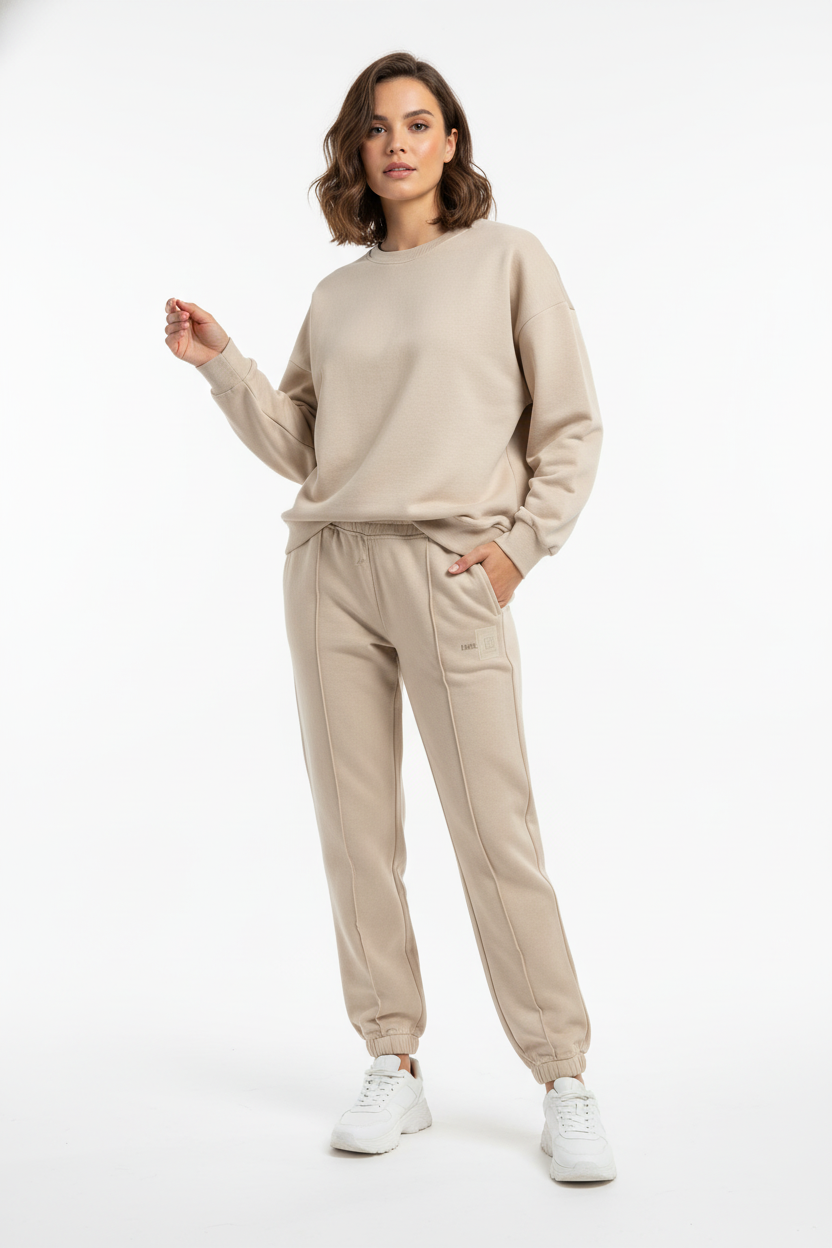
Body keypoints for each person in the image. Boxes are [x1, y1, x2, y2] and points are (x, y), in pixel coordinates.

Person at [164, 50, 616, 1184]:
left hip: (451, 568)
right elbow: (306, 448)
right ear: (356, 151)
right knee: (355, 832)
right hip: (329, 571)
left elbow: (571, 426)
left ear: (451, 141)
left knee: (495, 831)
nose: (398, 143)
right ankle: (392, 1060)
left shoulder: (509, 259)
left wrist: (517, 552)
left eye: (418, 123)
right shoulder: (339, 296)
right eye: (376, 128)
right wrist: (224, 366)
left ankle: (562, 1074)